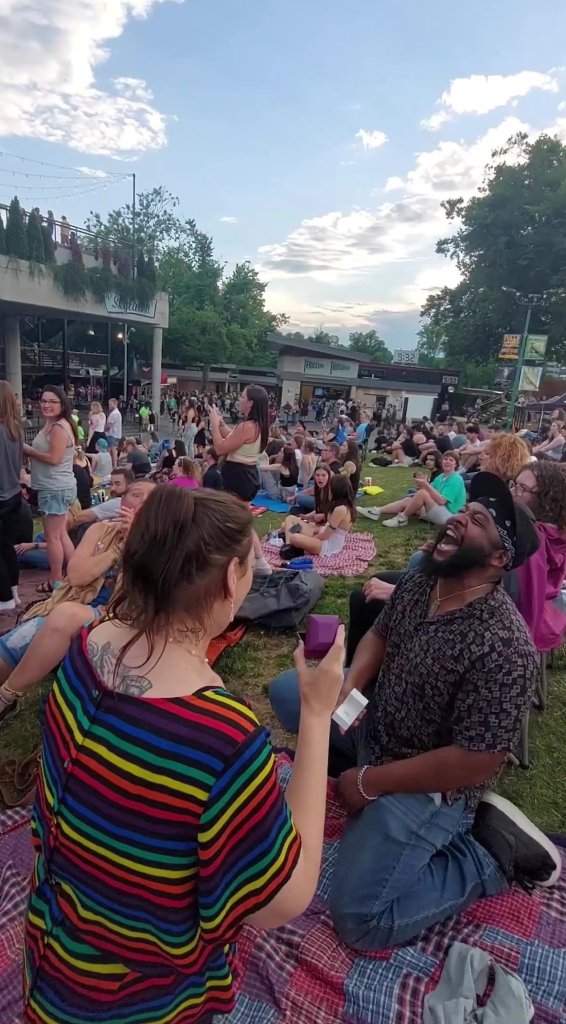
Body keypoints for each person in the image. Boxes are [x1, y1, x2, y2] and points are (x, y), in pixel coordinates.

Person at [24, 486, 345, 1023]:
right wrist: (316, 717)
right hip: (138, 1000)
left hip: (53, 954)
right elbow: (282, 900)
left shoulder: (86, 645)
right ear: (229, 580)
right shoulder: (220, 735)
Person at [269, 477, 562, 951]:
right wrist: (345, 690)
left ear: (497, 559)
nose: (461, 517)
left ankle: (484, 854)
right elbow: (379, 637)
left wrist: (370, 783)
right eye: (467, 510)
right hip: (378, 727)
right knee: (290, 693)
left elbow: (477, 761)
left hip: (429, 784)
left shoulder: (505, 645)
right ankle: (362, 785)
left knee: (359, 920)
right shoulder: (425, 581)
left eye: (480, 521)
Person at [0, 482, 156, 726]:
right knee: (19, 639)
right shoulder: (99, 530)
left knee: (64, 616)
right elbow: (76, 577)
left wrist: (137, 544)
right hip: (74, 603)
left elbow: (145, 596)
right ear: (121, 501)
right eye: (136, 495)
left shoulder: (163, 542)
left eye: (152, 497)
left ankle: (5, 697)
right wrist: (117, 549)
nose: (144, 501)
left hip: (114, 616)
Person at [23, 386, 78, 592]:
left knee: (53, 537)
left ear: (62, 404)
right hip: (58, 486)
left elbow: (54, 459)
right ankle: (75, 574)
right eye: (43, 400)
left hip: (54, 488)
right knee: (61, 535)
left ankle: (56, 582)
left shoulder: (58, 428)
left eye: (52, 402)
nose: (46, 405)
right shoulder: (54, 425)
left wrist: (29, 450)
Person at [513, 460, 566, 651]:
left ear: (546, 498)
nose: (513, 492)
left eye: (523, 489)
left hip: (526, 623)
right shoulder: (557, 528)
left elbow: (522, 600)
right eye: (515, 484)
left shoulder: (532, 538)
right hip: (550, 609)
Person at [366, 451, 466, 527]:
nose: (447, 462)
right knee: (409, 499)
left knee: (422, 493)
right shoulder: (441, 477)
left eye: (451, 460)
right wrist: (420, 489)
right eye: (446, 459)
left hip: (449, 516)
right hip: (438, 511)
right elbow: (431, 492)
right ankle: (377, 511)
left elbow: (441, 500)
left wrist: (425, 486)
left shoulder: (455, 479)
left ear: (456, 464)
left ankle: (402, 518)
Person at [209, 386, 269, 501]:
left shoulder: (247, 426)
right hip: (247, 474)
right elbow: (234, 438)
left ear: (251, 403)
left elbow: (220, 448)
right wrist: (221, 423)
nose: (239, 400)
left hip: (238, 476)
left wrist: (214, 425)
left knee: (233, 514)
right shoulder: (257, 425)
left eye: (242, 397)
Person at [281, 474, 355, 557]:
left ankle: (292, 542)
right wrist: (311, 524)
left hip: (327, 544)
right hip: (321, 532)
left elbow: (326, 535)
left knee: (294, 537)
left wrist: (310, 538)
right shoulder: (337, 504)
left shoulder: (341, 509)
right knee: (290, 519)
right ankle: (288, 546)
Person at [0, 381, 24, 611]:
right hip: (14, 494)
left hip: (2, 496)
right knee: (6, 546)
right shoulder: (15, 428)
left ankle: (5, 597)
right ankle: (14, 593)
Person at [105, 397, 123, 468]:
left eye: (110, 404)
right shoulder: (118, 413)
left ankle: (109, 465)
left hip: (111, 434)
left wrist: (104, 430)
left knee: (110, 451)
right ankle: (115, 465)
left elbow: (109, 425)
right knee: (114, 450)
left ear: (114, 404)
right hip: (117, 434)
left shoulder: (113, 414)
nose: (109, 406)